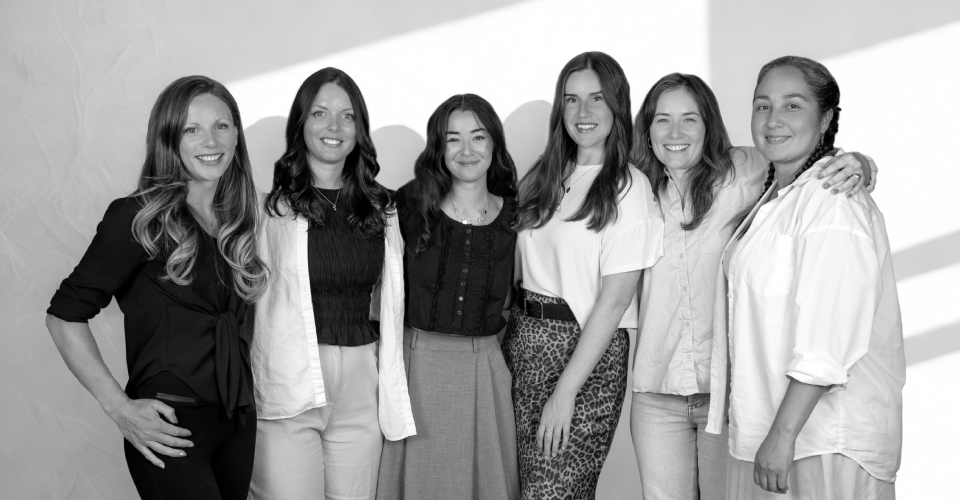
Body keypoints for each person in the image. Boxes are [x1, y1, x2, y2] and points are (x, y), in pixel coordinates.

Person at [629, 73, 874, 500]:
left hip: (726, 396)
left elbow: (808, 159)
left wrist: (861, 162)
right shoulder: (633, 191)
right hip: (657, 392)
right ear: (647, 130)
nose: (675, 133)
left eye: (689, 119)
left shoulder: (746, 169)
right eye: (662, 120)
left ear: (709, 125)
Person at [45, 75, 268, 499]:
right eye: (191, 129)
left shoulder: (240, 220)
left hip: (238, 422)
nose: (211, 140)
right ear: (169, 138)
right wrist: (119, 408)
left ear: (236, 134)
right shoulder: (138, 217)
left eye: (221, 125)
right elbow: (63, 317)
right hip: (169, 426)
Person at [706, 56, 904, 499]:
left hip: (822, 440)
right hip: (774, 431)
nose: (773, 119)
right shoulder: (776, 192)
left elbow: (827, 339)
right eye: (762, 105)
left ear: (826, 118)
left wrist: (782, 435)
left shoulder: (833, 201)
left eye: (792, 105)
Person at [248, 67, 415, 500]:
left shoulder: (382, 207)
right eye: (320, 113)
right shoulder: (270, 210)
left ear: (360, 128)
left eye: (347, 116)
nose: (334, 127)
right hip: (292, 378)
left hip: (361, 379)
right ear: (301, 123)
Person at [503, 51, 664, 499]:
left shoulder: (628, 187)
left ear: (617, 105)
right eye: (571, 99)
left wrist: (565, 392)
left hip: (582, 355)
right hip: (524, 344)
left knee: (553, 492)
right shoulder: (545, 175)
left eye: (596, 98)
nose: (583, 111)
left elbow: (614, 302)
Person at [377, 94, 520, 500]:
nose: (466, 150)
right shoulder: (407, 207)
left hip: (484, 369)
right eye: (453, 139)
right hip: (417, 366)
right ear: (438, 148)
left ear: (494, 144)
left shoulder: (517, 218)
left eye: (478, 136)